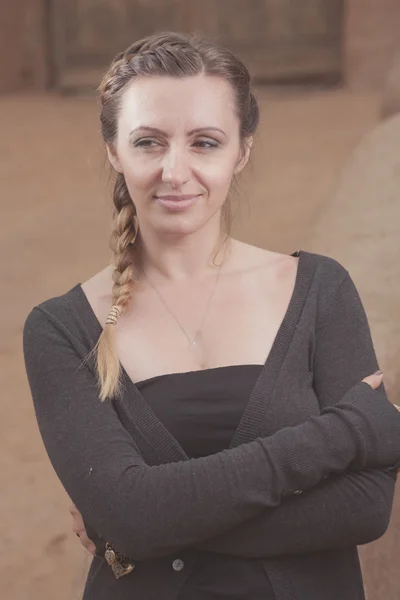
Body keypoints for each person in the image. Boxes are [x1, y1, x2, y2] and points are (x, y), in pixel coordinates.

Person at [23, 32, 400, 600]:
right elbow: (134, 517)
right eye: (148, 142)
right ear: (113, 150)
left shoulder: (321, 290)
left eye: (205, 142)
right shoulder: (60, 329)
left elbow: (365, 509)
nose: (176, 172)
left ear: (241, 151)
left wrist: (144, 524)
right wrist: (346, 432)